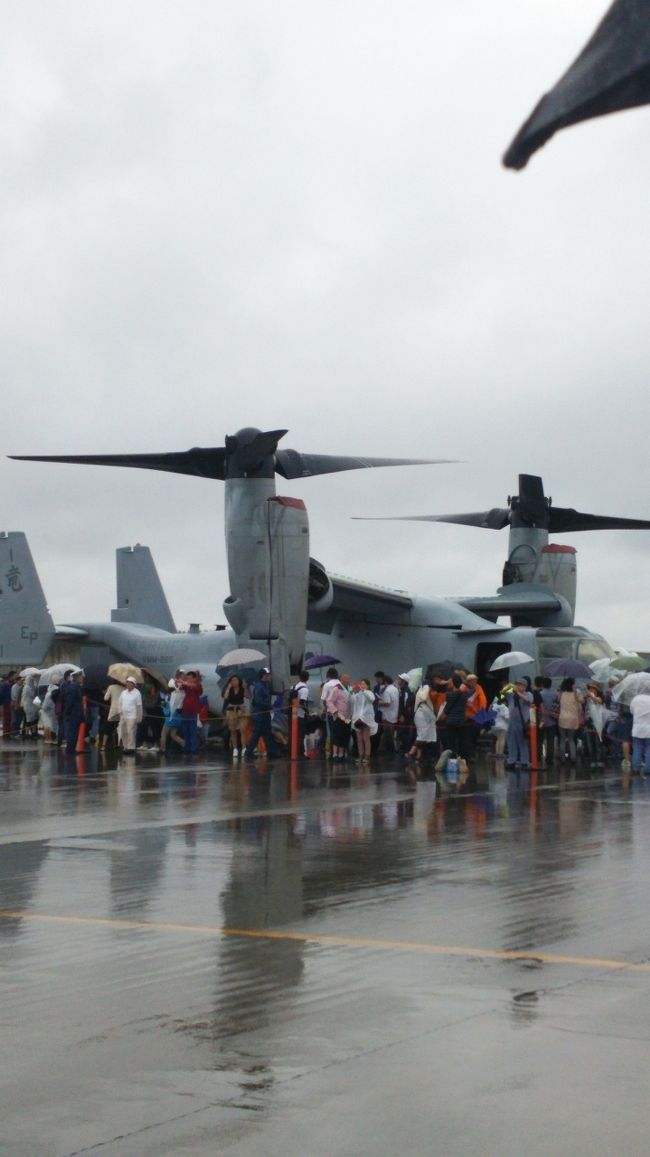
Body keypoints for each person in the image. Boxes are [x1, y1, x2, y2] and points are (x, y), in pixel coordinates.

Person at [244, 669, 280, 758]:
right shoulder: (259, 686)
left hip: (265, 713)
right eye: (268, 675)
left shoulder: (265, 685)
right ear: (264, 676)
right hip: (260, 713)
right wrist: (270, 706)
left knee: (267, 732)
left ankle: (271, 751)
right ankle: (248, 752)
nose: (270, 677)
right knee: (257, 733)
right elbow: (258, 701)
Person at [506, 677, 533, 768]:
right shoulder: (510, 693)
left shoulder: (528, 694)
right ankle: (511, 761)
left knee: (522, 742)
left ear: (525, 686)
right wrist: (507, 687)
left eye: (520, 685)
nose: (518, 686)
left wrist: (517, 692)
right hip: (512, 721)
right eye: (517, 684)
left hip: (522, 722)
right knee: (511, 741)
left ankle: (524, 761)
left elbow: (528, 701)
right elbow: (500, 696)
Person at [408, 683, 437, 766]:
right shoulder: (425, 688)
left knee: (425, 736)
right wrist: (428, 690)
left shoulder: (424, 689)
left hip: (427, 715)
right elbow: (424, 697)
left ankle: (418, 756)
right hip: (422, 715)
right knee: (422, 735)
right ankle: (410, 753)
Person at [442, 674, 469, 759]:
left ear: (453, 683)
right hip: (461, 721)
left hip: (450, 721)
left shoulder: (449, 694)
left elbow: (447, 708)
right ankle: (462, 759)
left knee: (451, 742)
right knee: (462, 741)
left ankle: (452, 758)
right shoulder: (464, 695)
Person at [557, 676, 583, 765]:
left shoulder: (562, 693)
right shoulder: (576, 693)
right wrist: (575, 692)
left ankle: (562, 759)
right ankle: (573, 758)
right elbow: (582, 701)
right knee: (571, 739)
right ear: (572, 684)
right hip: (573, 719)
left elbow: (558, 700)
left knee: (562, 739)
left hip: (562, 719)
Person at [328, 673, 353, 762]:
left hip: (348, 716)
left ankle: (342, 754)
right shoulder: (336, 689)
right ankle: (335, 754)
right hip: (338, 716)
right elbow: (329, 701)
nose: (348, 680)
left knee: (345, 735)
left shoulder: (350, 689)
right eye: (346, 678)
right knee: (337, 735)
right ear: (341, 679)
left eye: (349, 678)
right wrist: (335, 711)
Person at [351, 678, 377, 762]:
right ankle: (360, 755)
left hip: (366, 718)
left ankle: (367, 755)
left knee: (366, 738)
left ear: (368, 685)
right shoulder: (358, 694)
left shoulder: (369, 693)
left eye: (364, 684)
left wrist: (364, 691)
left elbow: (372, 699)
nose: (362, 685)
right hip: (357, 718)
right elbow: (352, 700)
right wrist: (352, 691)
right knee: (359, 739)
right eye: (361, 684)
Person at [222, 674, 248, 757]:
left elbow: (248, 696)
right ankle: (235, 748)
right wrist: (229, 687)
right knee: (233, 730)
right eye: (233, 680)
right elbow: (225, 697)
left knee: (242, 729)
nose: (234, 682)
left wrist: (245, 687)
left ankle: (244, 748)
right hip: (231, 710)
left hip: (241, 710)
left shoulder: (241, 688)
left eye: (236, 680)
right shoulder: (229, 689)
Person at [61, 671, 87, 754]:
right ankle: (70, 750)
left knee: (75, 732)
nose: (82, 678)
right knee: (72, 732)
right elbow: (70, 701)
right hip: (73, 714)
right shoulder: (73, 687)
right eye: (81, 676)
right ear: (77, 677)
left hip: (77, 714)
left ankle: (72, 749)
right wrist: (68, 712)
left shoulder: (78, 687)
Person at [178, 670, 203, 755]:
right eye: (187, 678)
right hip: (185, 710)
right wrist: (180, 680)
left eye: (190, 678)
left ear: (194, 679)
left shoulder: (198, 685)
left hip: (193, 711)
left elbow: (197, 689)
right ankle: (187, 748)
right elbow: (179, 685)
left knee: (193, 731)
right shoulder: (186, 685)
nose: (188, 679)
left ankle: (194, 749)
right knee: (185, 730)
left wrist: (185, 682)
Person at [118, 676, 143, 754]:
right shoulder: (123, 692)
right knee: (124, 731)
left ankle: (131, 747)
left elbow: (139, 706)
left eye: (130, 683)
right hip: (123, 715)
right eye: (127, 683)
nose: (128, 684)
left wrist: (139, 717)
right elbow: (119, 703)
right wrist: (120, 711)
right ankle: (125, 746)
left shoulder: (137, 693)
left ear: (134, 684)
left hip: (132, 716)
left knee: (131, 731)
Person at [629, 688, 650, 774]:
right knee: (649, 749)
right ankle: (648, 769)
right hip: (649, 729)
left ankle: (636, 768)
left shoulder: (635, 699)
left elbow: (631, 711)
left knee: (637, 748)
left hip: (637, 729)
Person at [377, 676, 399, 753]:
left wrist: (379, 703)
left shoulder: (387, 691)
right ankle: (389, 749)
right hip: (394, 714)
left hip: (387, 715)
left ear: (385, 682)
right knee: (391, 733)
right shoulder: (395, 689)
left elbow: (387, 703)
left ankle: (382, 748)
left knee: (386, 733)